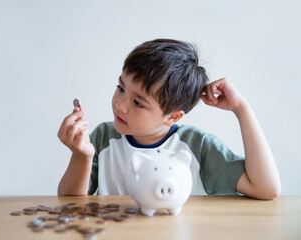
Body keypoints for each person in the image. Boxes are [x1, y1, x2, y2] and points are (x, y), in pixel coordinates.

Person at [57, 39, 281, 199]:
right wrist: (81, 156)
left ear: (172, 117)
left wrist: (241, 109)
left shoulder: (198, 147)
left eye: (138, 103)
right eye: (120, 88)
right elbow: (70, 202)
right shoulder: (104, 137)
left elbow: (266, 189)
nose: (120, 105)